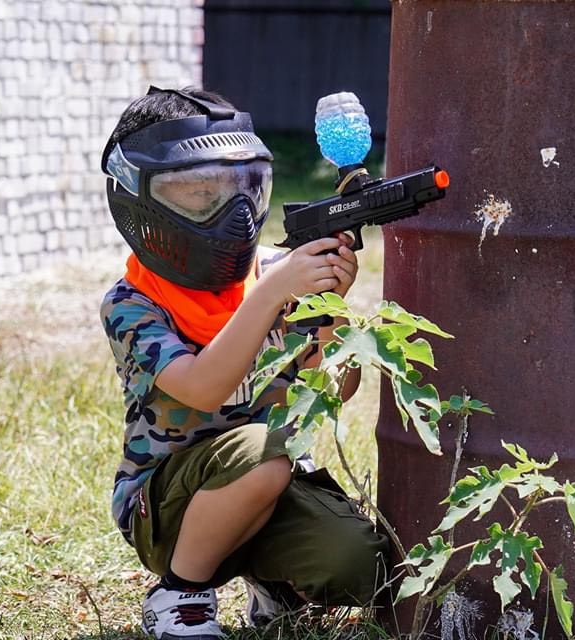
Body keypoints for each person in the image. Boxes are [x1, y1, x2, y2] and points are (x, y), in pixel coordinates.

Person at [99, 86, 389, 640]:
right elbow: (203, 387)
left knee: (359, 565)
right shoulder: (132, 304)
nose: (232, 215)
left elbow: (337, 387)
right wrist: (273, 290)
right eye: (198, 194)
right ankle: (180, 594)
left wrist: (332, 313)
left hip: (268, 484)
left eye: (242, 189)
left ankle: (272, 584)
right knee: (265, 453)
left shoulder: (276, 275)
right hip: (165, 509)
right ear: (137, 197)